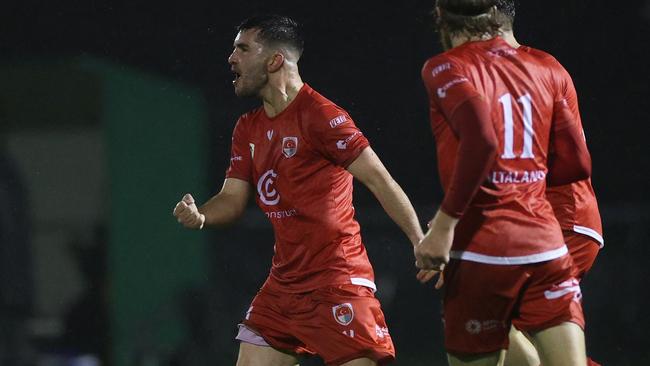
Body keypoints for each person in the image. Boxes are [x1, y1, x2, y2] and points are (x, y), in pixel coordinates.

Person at [173, 14, 424, 366]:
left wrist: (419, 240)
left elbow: (380, 180)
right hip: (283, 289)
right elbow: (231, 199)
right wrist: (202, 216)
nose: (231, 59)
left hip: (337, 283)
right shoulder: (247, 128)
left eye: (243, 49)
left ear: (275, 60)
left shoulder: (320, 116)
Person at [415, 0, 593, 365]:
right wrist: (523, 184)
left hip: (484, 247)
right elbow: (577, 163)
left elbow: (481, 140)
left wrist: (446, 225)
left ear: (441, 20)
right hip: (547, 244)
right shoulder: (547, 66)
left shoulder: (445, 66)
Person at [490, 2, 604, 366]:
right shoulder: (543, 64)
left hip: (558, 222)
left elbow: (516, 165)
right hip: (562, 220)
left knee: (483, 318)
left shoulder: (509, 71)